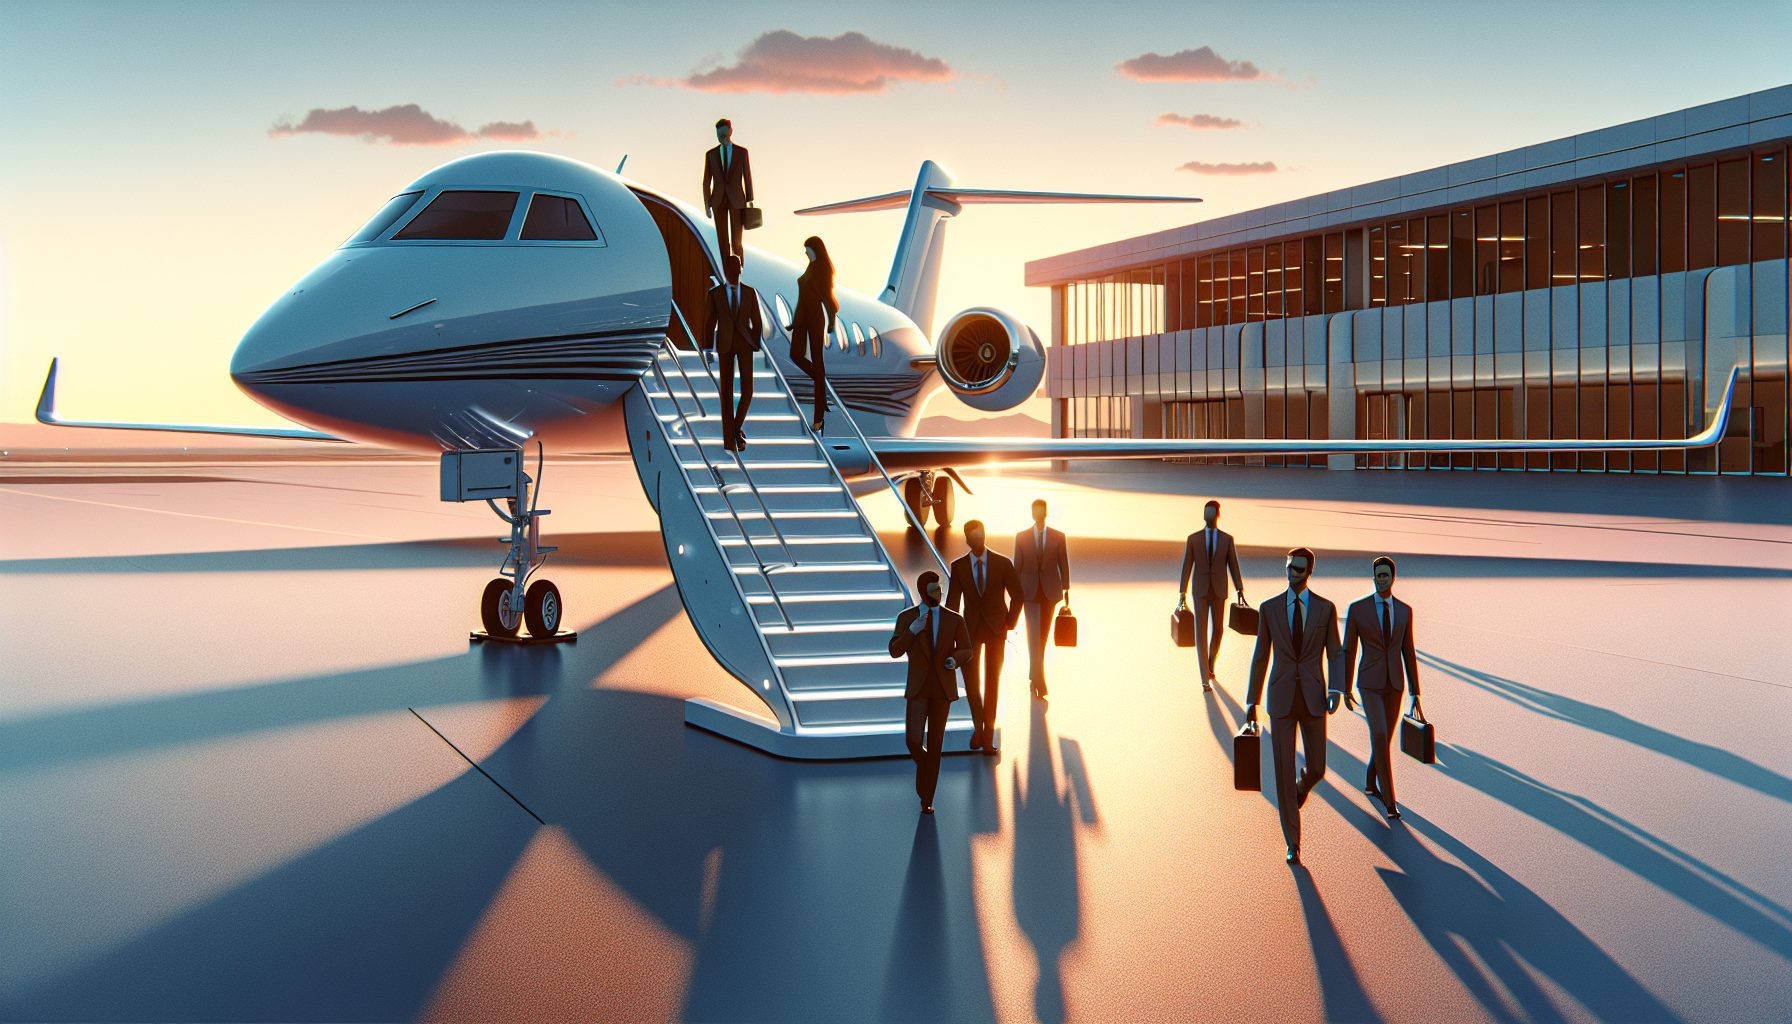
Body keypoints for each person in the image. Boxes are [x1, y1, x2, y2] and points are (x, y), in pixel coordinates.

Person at [1245, 547, 1344, 865]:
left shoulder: (1325, 609)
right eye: (1289, 568)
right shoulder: (1269, 608)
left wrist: (1337, 688)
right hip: (1281, 698)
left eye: (1299, 569)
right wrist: (1252, 701)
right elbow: (1261, 655)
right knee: (1283, 773)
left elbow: (1335, 653)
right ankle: (1293, 843)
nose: (1292, 573)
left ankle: (1301, 788)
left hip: (1315, 698)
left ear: (1309, 572)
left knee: (1317, 768)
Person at [1343, 556, 1423, 820]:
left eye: (1386, 575)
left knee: (1384, 739)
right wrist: (1344, 687)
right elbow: (1349, 650)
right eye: (1378, 575)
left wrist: (1415, 692)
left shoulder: (1404, 611)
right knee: (1378, 734)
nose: (1382, 579)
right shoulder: (1358, 609)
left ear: (1393, 577)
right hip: (1369, 683)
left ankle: (1369, 782)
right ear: (1373, 577)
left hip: (1395, 685)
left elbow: (1408, 651)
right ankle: (1390, 801)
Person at [889, 570, 971, 814]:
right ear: (923, 592)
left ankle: (928, 801)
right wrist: (911, 631)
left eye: (940, 590)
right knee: (913, 741)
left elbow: (967, 649)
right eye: (935, 590)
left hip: (942, 689)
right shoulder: (907, 618)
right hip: (918, 688)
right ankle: (926, 767)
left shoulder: (954, 619)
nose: (939, 594)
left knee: (936, 745)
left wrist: (954, 660)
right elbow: (894, 650)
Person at [946, 519, 1023, 753]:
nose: (979, 541)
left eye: (982, 537)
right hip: (969, 632)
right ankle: (978, 728)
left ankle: (987, 734)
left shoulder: (1002, 563)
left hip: (996, 630)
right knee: (971, 683)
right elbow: (952, 604)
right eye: (974, 539)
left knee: (992, 682)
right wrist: (950, 638)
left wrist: (1009, 622)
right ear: (968, 541)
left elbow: (1018, 595)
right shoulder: (958, 567)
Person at [1178, 499, 1245, 693]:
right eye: (1205, 513)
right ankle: (1204, 679)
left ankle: (1210, 663)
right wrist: (1182, 592)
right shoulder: (1193, 539)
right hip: (1199, 590)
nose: (1207, 517)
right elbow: (1186, 566)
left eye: (1210, 513)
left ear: (1217, 515)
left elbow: (1233, 564)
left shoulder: (1227, 539)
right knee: (1201, 633)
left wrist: (1239, 588)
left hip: (1218, 591)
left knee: (1218, 630)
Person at [702, 254, 763, 451]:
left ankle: (735, 429)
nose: (733, 272)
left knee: (748, 390)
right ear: (726, 271)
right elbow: (709, 322)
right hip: (725, 344)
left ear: (740, 269)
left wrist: (754, 341)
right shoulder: (715, 294)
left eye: (736, 268)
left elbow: (757, 319)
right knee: (726, 392)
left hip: (745, 344)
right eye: (730, 268)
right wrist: (708, 348)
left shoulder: (749, 292)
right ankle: (732, 438)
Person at [1013, 499, 1070, 699]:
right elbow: (1016, 567)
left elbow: (1063, 563)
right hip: (1028, 590)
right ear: (1032, 514)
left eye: (1041, 513)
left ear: (1046, 513)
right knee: (1032, 635)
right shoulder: (1021, 537)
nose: (1038, 516)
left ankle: (1035, 673)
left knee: (1043, 636)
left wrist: (1066, 591)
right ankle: (1039, 679)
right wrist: (1014, 594)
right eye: (1035, 513)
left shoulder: (1058, 536)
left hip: (1049, 591)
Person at [786, 236, 839, 432]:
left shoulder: (823, 270)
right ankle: (820, 380)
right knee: (796, 355)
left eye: (807, 248)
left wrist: (832, 322)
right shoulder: (810, 268)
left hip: (816, 316)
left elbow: (827, 298)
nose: (805, 252)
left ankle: (819, 417)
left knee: (818, 361)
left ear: (815, 249)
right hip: (802, 317)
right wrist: (794, 322)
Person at [702, 118, 754, 264]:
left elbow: (747, 176)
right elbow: (706, 182)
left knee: (737, 240)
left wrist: (750, 200)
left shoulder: (741, 152)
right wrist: (707, 205)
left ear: (730, 132)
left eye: (724, 135)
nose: (721, 138)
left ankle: (739, 269)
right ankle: (726, 271)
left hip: (737, 200)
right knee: (722, 241)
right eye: (719, 135)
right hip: (718, 200)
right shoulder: (710, 155)